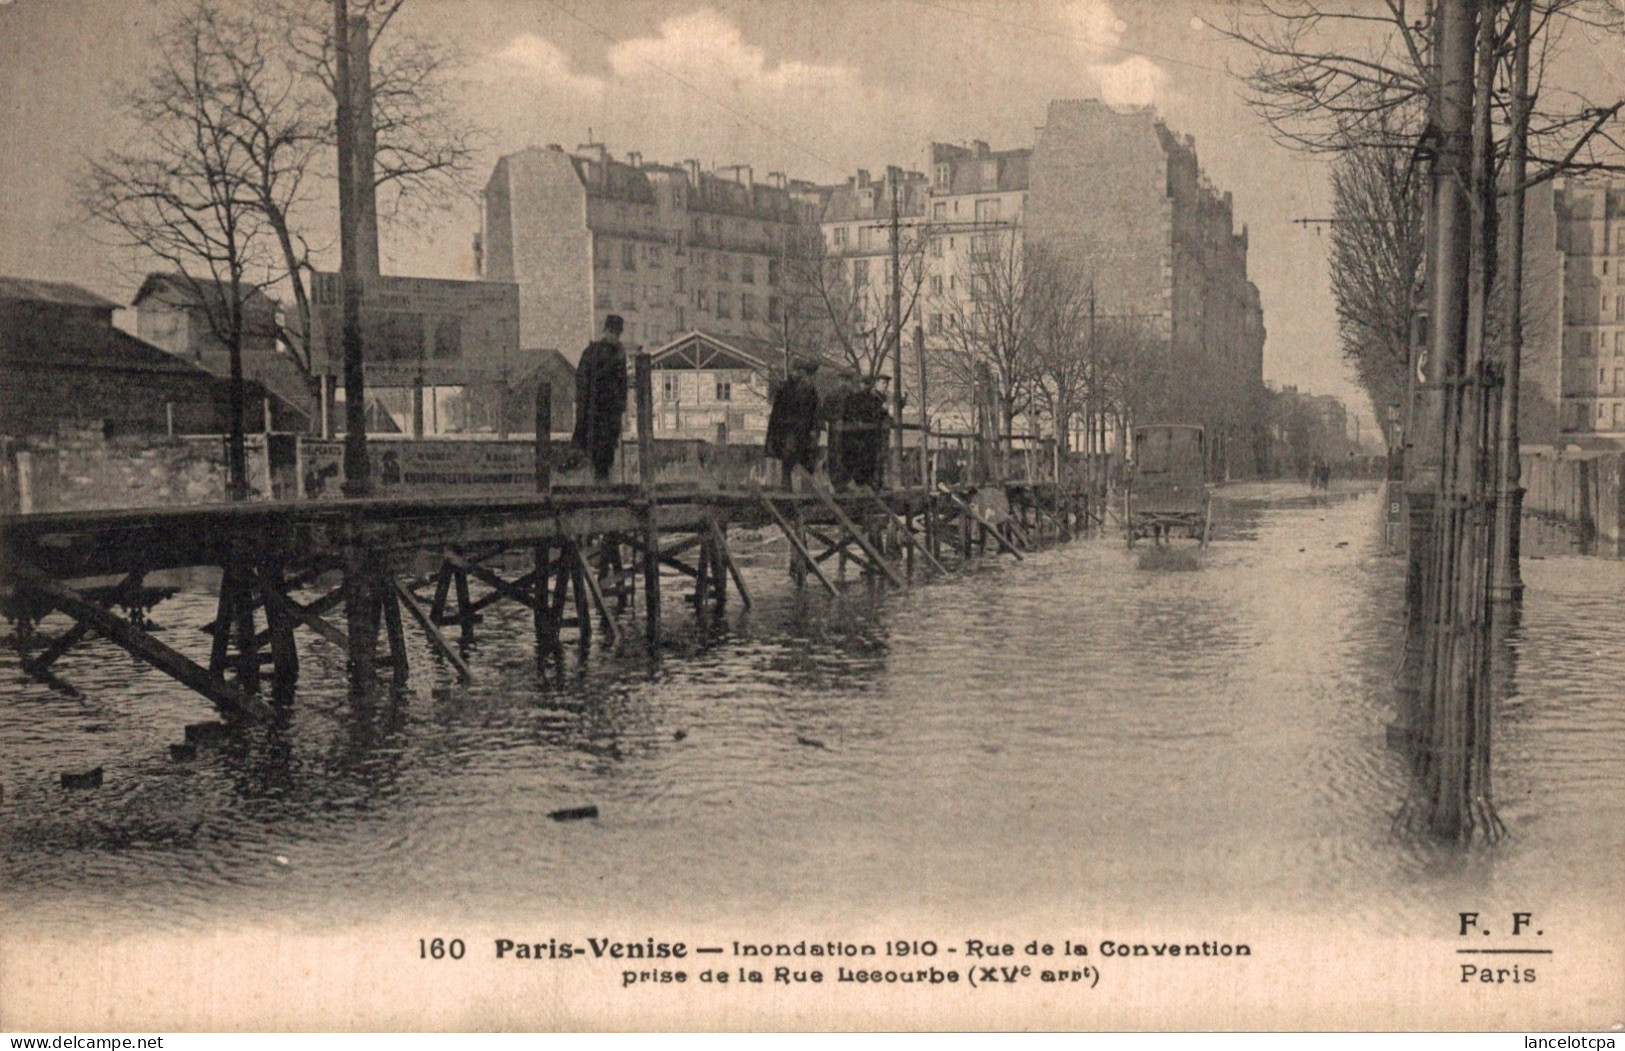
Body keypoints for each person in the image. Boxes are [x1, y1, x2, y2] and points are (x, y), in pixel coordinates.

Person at [573, 314, 629, 482]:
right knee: (596, 447)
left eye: (617, 333)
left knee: (607, 448)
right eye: (611, 332)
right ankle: (597, 482)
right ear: (605, 331)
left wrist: (621, 404)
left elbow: (622, 382)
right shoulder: (593, 351)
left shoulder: (619, 354)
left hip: (610, 411)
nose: (614, 336)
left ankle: (602, 481)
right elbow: (582, 379)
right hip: (595, 410)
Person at [765, 357, 822, 490]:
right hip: (790, 432)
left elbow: (814, 412)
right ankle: (787, 491)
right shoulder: (785, 389)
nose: (801, 374)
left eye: (802, 372)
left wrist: (814, 429)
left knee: (806, 462)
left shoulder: (809, 389)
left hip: (804, 433)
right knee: (788, 463)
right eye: (799, 371)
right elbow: (778, 414)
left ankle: (805, 492)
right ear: (794, 371)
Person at [842, 373, 890, 491]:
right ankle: (863, 483)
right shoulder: (868, 397)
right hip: (865, 432)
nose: (885, 386)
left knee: (874, 457)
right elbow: (869, 414)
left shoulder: (880, 397)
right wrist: (882, 410)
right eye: (883, 383)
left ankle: (873, 483)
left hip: (875, 432)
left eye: (886, 384)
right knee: (865, 457)